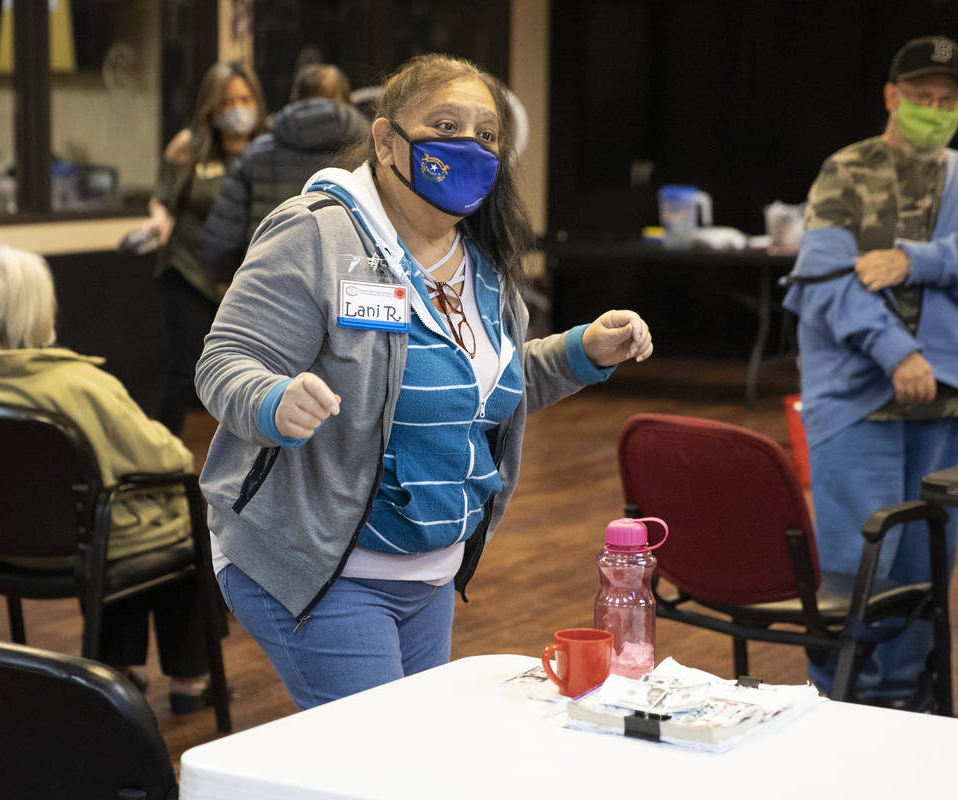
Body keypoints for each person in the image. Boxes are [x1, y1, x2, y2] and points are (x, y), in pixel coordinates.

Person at [195, 53, 654, 710]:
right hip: (322, 570)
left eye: (486, 134)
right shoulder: (316, 235)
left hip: (430, 575)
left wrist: (581, 351)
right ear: (385, 141)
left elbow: (474, 388)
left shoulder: (483, 260)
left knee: (413, 762)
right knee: (380, 769)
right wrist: (273, 400)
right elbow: (224, 362)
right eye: (445, 125)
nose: (470, 147)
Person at [782, 36, 958, 707]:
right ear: (893, 96)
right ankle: (843, 708)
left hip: (943, 409)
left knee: (924, 576)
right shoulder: (848, 171)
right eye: (921, 96)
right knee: (857, 577)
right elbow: (826, 280)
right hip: (858, 402)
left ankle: (913, 716)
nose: (934, 108)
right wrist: (897, 352)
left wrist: (916, 260)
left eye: (947, 100)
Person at [0, 246, 214, 714]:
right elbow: (167, 458)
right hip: (73, 548)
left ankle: (119, 667)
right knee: (182, 514)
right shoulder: (79, 386)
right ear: (42, 308)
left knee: (109, 516)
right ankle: (191, 679)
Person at [139, 61, 267, 435]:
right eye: (227, 102)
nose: (237, 109)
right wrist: (157, 221)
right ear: (212, 106)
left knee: (252, 368)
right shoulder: (188, 146)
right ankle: (161, 456)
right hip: (190, 270)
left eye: (245, 99)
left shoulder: (269, 149)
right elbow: (163, 199)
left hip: (249, 279)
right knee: (184, 369)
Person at [200, 63, 370, 283]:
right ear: (347, 101)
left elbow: (222, 238)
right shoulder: (374, 155)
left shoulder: (257, 153)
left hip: (268, 282)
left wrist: (224, 279)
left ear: (295, 99)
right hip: (352, 285)